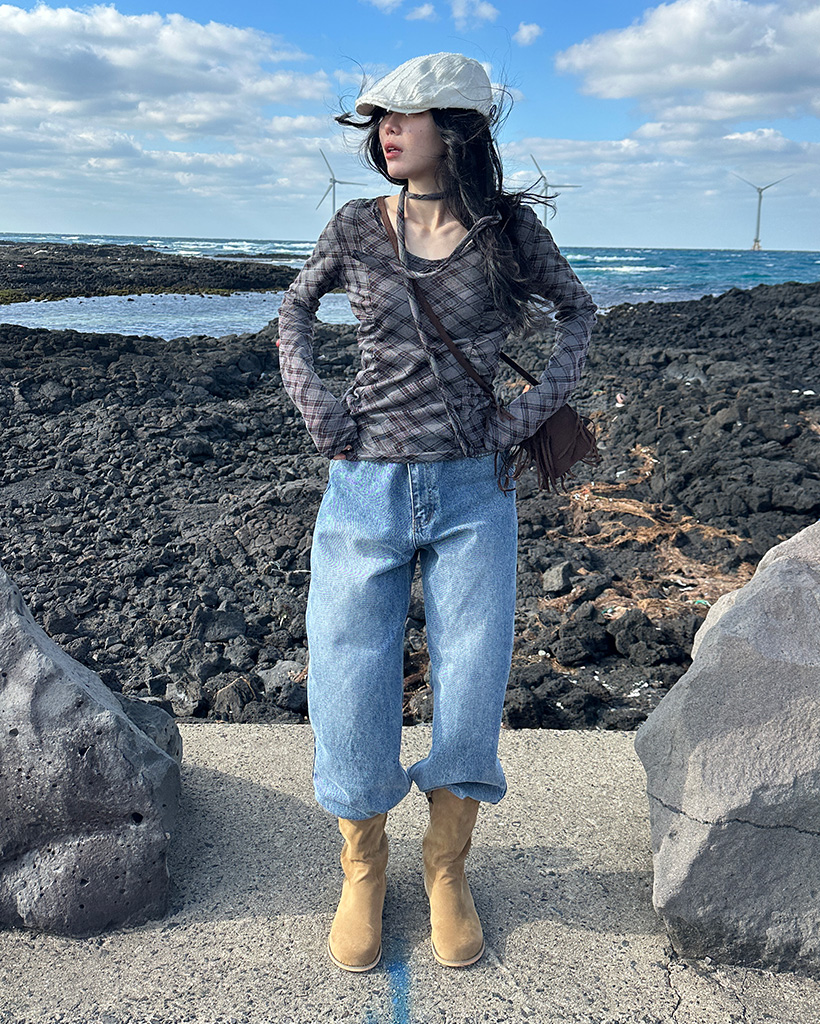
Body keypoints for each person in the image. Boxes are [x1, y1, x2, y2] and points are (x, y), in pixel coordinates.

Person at [277, 52, 596, 972]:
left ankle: (446, 865)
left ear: (455, 128)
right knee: (348, 672)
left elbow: (578, 314)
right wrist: (317, 407)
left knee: (472, 675)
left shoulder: (508, 230)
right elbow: (294, 311)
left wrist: (521, 419)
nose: (386, 131)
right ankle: (363, 867)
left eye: (403, 116)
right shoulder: (355, 226)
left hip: (472, 491)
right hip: (365, 485)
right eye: (378, 118)